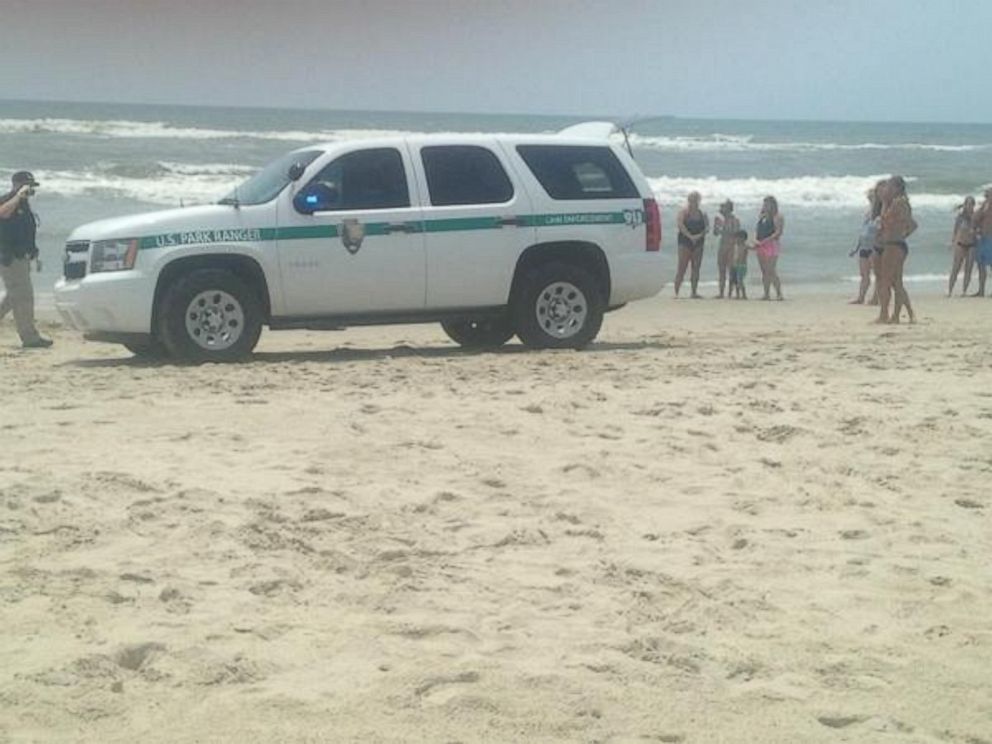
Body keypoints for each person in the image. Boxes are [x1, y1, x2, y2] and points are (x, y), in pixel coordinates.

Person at [0, 171, 52, 348]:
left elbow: (27, 232)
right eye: (28, 186)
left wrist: (34, 253)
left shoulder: (25, 205)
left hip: (22, 258)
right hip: (10, 258)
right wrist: (17, 195)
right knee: (24, 298)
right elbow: (3, 214)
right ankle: (29, 337)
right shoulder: (8, 200)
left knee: (13, 296)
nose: (31, 190)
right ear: (17, 184)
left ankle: (29, 336)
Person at [876, 175, 917, 324]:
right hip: (892, 243)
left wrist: (901, 235)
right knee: (896, 282)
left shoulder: (900, 203)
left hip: (894, 244)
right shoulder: (892, 202)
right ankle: (899, 315)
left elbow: (912, 224)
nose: (887, 189)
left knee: (887, 281)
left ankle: (886, 314)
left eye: (890, 186)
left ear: (897, 188)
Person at [850, 186, 882, 304]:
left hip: (874, 247)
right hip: (864, 246)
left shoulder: (881, 212)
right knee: (864, 274)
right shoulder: (868, 212)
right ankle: (861, 297)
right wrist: (856, 248)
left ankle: (875, 298)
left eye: (872, 197)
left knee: (877, 275)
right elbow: (863, 231)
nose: (870, 199)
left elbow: (881, 230)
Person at [674, 191, 708, 299]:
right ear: (689, 201)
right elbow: (680, 225)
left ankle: (694, 292)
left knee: (696, 268)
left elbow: (707, 227)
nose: (695, 202)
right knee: (682, 267)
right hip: (685, 241)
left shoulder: (702, 214)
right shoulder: (684, 212)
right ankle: (676, 292)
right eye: (693, 200)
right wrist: (690, 236)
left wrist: (699, 236)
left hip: (699, 242)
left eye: (697, 200)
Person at [754, 196, 784, 300]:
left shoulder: (777, 216)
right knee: (764, 271)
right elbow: (758, 230)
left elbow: (778, 232)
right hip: (761, 244)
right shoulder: (762, 216)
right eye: (764, 204)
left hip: (771, 244)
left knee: (771, 270)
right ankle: (766, 293)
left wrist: (766, 240)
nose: (765, 206)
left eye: (767, 204)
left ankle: (779, 293)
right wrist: (756, 241)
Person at [948, 196, 977, 297]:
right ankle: (950, 291)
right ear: (964, 205)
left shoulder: (975, 216)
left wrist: (975, 232)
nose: (969, 207)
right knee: (955, 268)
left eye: (971, 205)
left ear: (973, 206)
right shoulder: (960, 217)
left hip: (972, 244)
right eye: (967, 204)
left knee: (968, 269)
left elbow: (980, 230)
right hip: (961, 244)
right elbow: (955, 231)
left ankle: (964, 291)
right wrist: (953, 243)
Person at [712, 199, 740, 299]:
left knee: (732, 270)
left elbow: (736, 234)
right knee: (721, 270)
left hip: (731, 246)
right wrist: (716, 226)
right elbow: (715, 233)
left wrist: (723, 229)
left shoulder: (734, 220)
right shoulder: (720, 219)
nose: (720, 209)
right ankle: (721, 292)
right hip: (722, 245)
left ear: (728, 209)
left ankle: (734, 292)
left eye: (723, 207)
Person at [973, 188, 992, 297]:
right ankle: (981, 290)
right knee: (981, 265)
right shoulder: (984, 208)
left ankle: (983, 291)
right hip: (983, 239)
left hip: (989, 239)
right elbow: (975, 219)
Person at [728, 229, 751, 299]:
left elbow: (751, 247)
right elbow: (731, 255)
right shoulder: (734, 246)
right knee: (732, 280)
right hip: (734, 265)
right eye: (736, 238)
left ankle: (744, 295)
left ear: (744, 239)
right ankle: (734, 294)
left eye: (739, 238)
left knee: (739, 280)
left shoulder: (745, 246)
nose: (737, 239)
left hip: (741, 266)